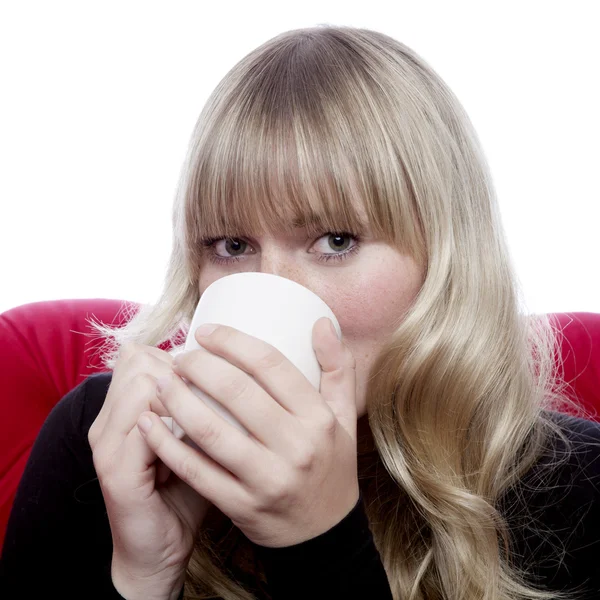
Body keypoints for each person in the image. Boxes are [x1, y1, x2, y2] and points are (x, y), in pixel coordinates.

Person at [1, 24, 599, 600]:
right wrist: (142, 576)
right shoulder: (101, 438)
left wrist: (318, 544)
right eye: (232, 246)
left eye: (336, 240)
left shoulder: (576, 485)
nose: (271, 287)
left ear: (444, 258)